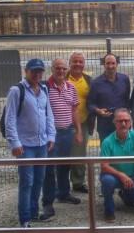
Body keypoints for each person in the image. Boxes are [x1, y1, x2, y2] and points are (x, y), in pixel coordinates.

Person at [4, 58, 55, 228]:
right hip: (25, 145)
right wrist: (14, 143)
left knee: (39, 180)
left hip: (42, 144)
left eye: (40, 71)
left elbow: (49, 115)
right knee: (27, 182)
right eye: (34, 71)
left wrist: (51, 136)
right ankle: (24, 218)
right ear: (26, 71)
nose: (37, 74)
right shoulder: (17, 91)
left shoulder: (44, 89)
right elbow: (10, 119)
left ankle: (34, 212)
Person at [40, 58, 82, 220]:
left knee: (65, 165)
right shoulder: (44, 88)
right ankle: (48, 203)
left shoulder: (71, 87)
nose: (61, 71)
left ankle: (63, 194)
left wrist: (78, 131)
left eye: (64, 69)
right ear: (52, 69)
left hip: (67, 133)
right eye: (58, 68)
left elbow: (75, 111)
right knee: (49, 169)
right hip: (51, 135)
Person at [99, 108, 134, 223]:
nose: (123, 124)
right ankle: (109, 209)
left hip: (131, 176)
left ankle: (125, 195)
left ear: (131, 122)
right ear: (114, 122)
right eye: (120, 121)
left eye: (126, 120)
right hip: (112, 176)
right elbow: (104, 166)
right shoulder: (107, 141)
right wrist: (121, 175)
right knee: (107, 182)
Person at [66, 51, 95, 194]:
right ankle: (62, 185)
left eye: (80, 62)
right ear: (69, 63)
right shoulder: (62, 78)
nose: (77, 64)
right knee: (63, 154)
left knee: (79, 154)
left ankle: (78, 183)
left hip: (82, 123)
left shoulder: (89, 81)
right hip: (63, 124)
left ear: (84, 64)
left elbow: (93, 100)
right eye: (74, 61)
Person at [89, 54, 131, 141]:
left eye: (113, 63)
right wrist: (98, 111)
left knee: (124, 151)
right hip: (105, 125)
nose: (110, 66)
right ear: (104, 65)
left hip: (122, 124)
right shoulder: (96, 83)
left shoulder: (125, 79)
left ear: (117, 64)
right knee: (107, 152)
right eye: (108, 63)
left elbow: (127, 100)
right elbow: (90, 104)